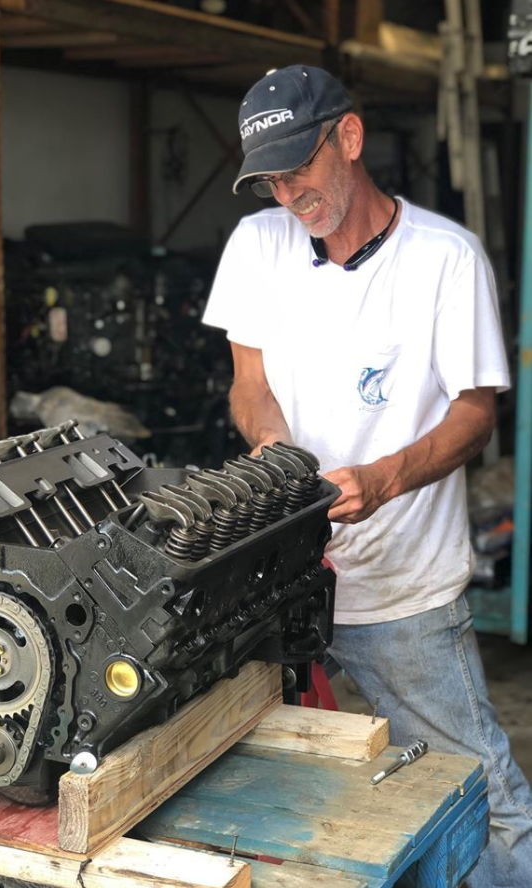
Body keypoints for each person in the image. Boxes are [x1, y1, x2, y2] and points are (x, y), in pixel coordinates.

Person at [203, 64, 532, 887]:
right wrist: (278, 454)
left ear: (348, 138)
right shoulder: (257, 245)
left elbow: (475, 413)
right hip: (283, 583)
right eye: (272, 181)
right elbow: (249, 383)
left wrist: (384, 479)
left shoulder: (445, 260)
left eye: (299, 169)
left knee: (476, 796)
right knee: (268, 799)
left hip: (402, 589)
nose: (289, 196)